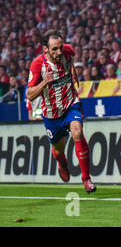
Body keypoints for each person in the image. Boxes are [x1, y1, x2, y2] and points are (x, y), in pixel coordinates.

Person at [26, 30, 96, 193]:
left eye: (60, 47)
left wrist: (72, 68)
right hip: (52, 114)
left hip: (71, 103)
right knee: (58, 150)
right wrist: (45, 82)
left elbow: (69, 58)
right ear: (45, 49)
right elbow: (30, 95)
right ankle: (62, 162)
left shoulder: (68, 51)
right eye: (54, 49)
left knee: (78, 132)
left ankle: (86, 179)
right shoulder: (37, 65)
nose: (59, 52)